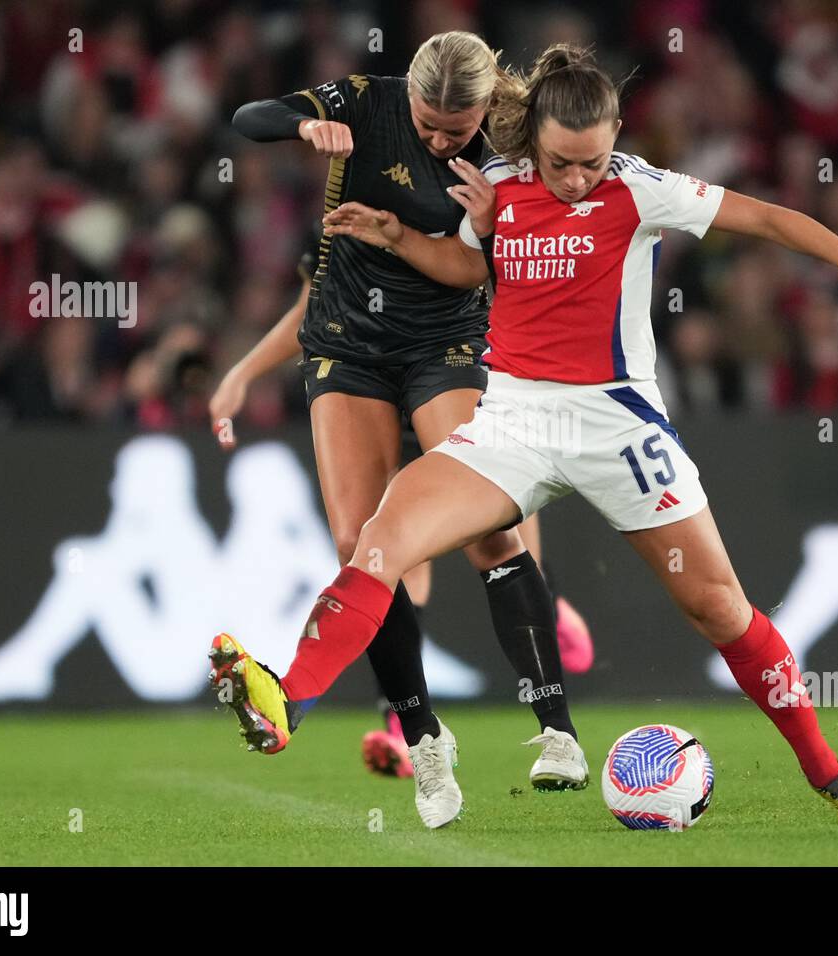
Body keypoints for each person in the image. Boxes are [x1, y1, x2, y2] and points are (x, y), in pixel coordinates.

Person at [228, 43, 838, 824]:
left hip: (617, 430)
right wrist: (400, 237)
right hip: (514, 422)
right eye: (564, 163)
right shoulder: (495, 184)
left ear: (615, 137)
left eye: (592, 162)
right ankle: (286, 700)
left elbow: (765, 216)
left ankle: (829, 773)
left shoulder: (641, 187)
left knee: (720, 610)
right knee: (382, 536)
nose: (577, 179)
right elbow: (469, 272)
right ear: (534, 138)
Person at [209, 32, 590, 830]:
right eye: (429, 124)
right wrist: (301, 127)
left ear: (488, 109)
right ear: (408, 94)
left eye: (458, 129)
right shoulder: (367, 100)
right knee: (362, 544)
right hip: (346, 344)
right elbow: (248, 115)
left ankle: (556, 727)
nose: (442, 140)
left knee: (490, 527)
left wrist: (457, 230)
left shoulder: (517, 146)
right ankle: (424, 740)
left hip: (445, 344)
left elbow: (493, 265)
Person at [209, 250, 595, 780]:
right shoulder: (344, 189)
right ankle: (411, 728)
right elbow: (314, 294)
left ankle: (557, 715)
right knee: (373, 551)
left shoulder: (476, 175)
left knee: (492, 533)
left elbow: (507, 262)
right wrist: (245, 371)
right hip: (356, 365)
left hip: (443, 353)